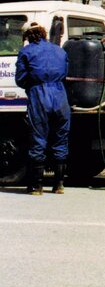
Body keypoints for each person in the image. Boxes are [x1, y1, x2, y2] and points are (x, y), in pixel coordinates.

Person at [14, 22, 70, 195]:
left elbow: (20, 79)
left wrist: (33, 85)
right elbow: (65, 73)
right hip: (60, 95)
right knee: (61, 138)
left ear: (27, 36)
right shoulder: (60, 51)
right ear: (44, 33)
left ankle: (36, 186)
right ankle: (59, 184)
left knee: (38, 139)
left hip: (39, 95)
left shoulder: (26, 52)